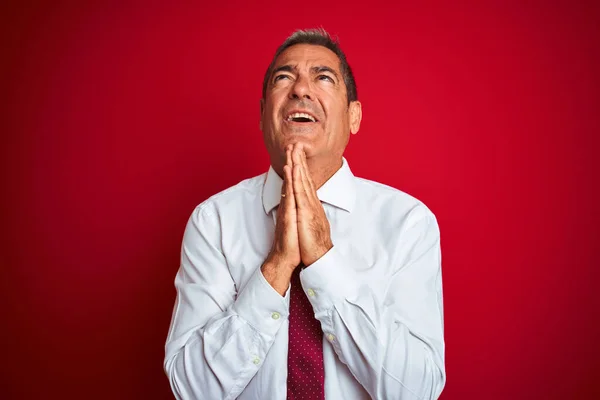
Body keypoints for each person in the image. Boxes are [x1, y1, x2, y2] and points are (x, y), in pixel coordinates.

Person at [163, 28, 445, 400]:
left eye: (323, 77)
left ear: (353, 117)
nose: (300, 90)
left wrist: (323, 262)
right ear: (264, 115)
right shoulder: (213, 221)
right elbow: (191, 389)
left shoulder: (408, 223)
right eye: (284, 77)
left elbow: (418, 390)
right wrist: (276, 267)